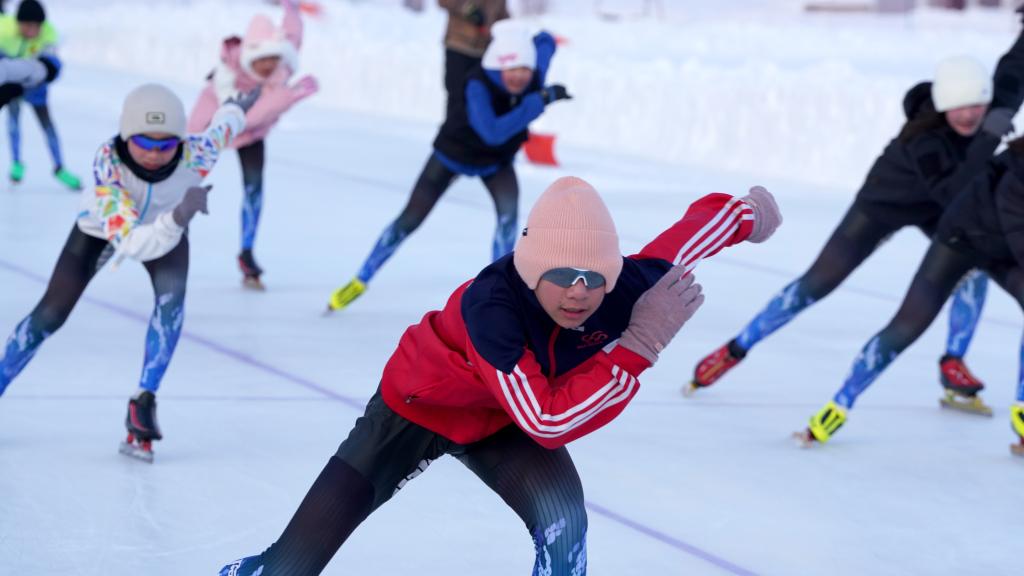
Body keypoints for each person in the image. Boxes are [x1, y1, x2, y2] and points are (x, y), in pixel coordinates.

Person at [218, 176, 782, 575]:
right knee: (288, 568)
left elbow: (689, 235)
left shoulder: (629, 287)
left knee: (565, 528)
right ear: (533, 270)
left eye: (594, 276)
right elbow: (547, 421)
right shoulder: (491, 310)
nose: (579, 292)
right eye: (562, 275)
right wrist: (639, 346)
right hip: (418, 410)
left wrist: (748, 214)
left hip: (503, 419)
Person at [689, 31, 1024, 412]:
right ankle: (736, 348)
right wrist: (989, 135)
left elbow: (1016, 65)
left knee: (972, 269)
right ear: (943, 105)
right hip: (884, 205)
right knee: (818, 282)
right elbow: (951, 188)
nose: (969, 115)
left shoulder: (989, 108)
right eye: (958, 108)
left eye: (976, 106)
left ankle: (953, 363)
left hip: (941, 211)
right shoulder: (924, 135)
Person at [0, 83, 249, 461]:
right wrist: (179, 215)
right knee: (49, 315)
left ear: (180, 142)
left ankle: (143, 401)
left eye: (166, 145)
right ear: (125, 137)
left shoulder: (196, 153)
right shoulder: (109, 165)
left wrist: (234, 107)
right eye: (144, 143)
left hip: (167, 233)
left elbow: (223, 129)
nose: (154, 154)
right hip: (104, 232)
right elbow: (131, 242)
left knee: (171, 307)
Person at [798, 137, 1024, 456]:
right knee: (906, 326)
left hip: (1004, 250)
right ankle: (838, 405)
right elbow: (1018, 232)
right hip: (960, 243)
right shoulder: (1016, 173)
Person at [325, 20, 571, 312]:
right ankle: (360, 280)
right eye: (512, 70)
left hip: (496, 163)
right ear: (498, 67)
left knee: (508, 221)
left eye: (525, 70)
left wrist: (538, 35)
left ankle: (501, 293)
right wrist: (539, 101)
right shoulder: (478, 84)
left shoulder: (534, 74)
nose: (519, 77)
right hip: (452, 156)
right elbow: (492, 132)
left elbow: (545, 44)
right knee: (409, 220)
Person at [187, 0, 318, 290]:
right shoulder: (227, 75)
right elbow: (243, 119)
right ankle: (159, 226)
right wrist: (288, 96)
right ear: (249, 57)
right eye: (263, 60)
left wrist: (292, 8)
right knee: (185, 179)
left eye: (274, 59)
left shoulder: (281, 66)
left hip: (252, 134)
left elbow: (293, 36)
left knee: (254, 188)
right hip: (216, 124)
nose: (269, 66)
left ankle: (246, 252)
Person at [0, 0, 80, 190]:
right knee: (13, 122)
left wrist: (44, 71)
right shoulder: (4, 29)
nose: (32, 30)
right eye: (27, 25)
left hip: (36, 87)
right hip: (11, 85)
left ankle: (59, 167)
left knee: (47, 125)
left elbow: (52, 66)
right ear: (18, 23)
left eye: (36, 26)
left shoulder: (49, 34)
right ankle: (16, 163)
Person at [438, 0, 509, 109]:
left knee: (480, 98)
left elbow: (503, 16)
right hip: (458, 46)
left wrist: (507, 33)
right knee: (457, 95)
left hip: (484, 51)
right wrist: (468, 9)